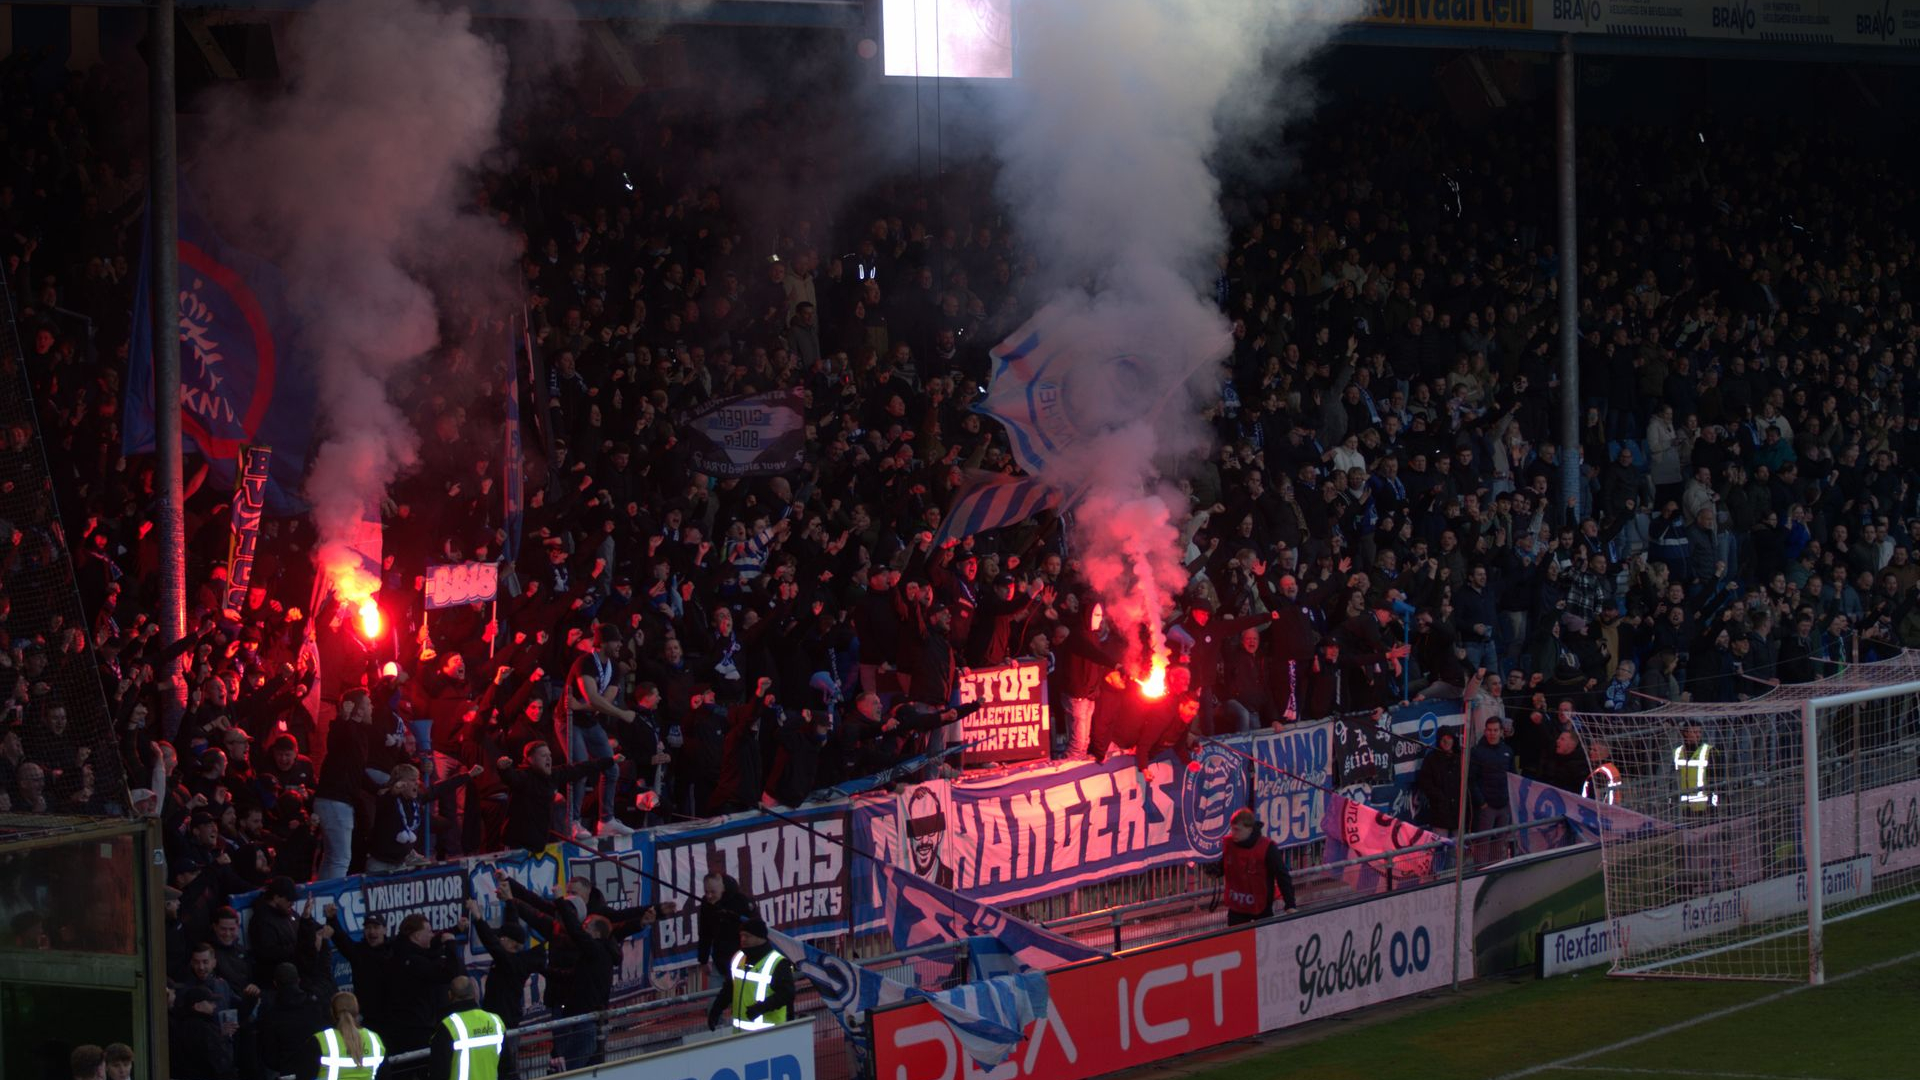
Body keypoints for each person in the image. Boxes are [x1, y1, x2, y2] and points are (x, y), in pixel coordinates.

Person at [563, 626, 638, 838]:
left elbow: (603, 702)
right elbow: (594, 699)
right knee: (579, 769)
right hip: (569, 720)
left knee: (611, 768)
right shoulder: (585, 662)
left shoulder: (613, 667)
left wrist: (581, 706)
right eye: (616, 641)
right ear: (603, 642)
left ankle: (606, 820)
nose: (620, 645)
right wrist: (622, 714)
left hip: (588, 720)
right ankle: (573, 822)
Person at [496, 742, 617, 852]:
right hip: (516, 846)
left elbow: (579, 769)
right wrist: (504, 769)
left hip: (537, 845)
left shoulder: (553, 775)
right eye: (543, 755)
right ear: (530, 759)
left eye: (549, 755)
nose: (548, 758)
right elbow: (511, 778)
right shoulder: (523, 777)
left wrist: (610, 761)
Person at [706, 916, 796, 1032]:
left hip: (770, 1034)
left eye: (747, 936)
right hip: (740, 1034)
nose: (743, 939)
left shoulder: (778, 963)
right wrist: (716, 1010)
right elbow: (730, 988)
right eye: (741, 936)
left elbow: (787, 994)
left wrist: (761, 1008)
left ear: (760, 937)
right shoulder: (738, 958)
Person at [1211, 808, 1297, 924]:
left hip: (1261, 907)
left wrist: (1290, 904)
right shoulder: (1230, 845)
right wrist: (1215, 870)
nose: (1233, 833)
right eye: (1232, 829)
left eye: (1237, 830)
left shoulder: (1267, 847)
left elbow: (1282, 875)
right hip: (1237, 908)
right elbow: (1226, 865)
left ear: (1249, 829)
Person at [427, 976, 505, 1080]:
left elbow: (438, 1073)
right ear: (475, 993)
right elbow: (507, 1069)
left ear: (450, 995)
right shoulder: (495, 1022)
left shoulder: (447, 1027)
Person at [304, 991, 385, 1080]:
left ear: (332, 1012)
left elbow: (304, 1075)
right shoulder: (374, 1039)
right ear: (357, 1011)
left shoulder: (320, 1040)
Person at [695, 872, 756, 980]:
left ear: (723, 888)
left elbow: (755, 929)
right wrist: (703, 960)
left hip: (742, 961)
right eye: (706, 892)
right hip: (719, 962)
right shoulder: (706, 903)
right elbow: (705, 933)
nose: (709, 896)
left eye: (713, 892)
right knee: (715, 991)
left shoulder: (741, 901)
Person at [1415, 729, 1464, 832]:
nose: (1446, 742)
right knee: (1440, 841)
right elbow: (1425, 782)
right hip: (1439, 813)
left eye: (1449, 738)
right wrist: (1439, 798)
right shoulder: (1431, 759)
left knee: (1458, 841)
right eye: (1443, 739)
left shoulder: (1460, 757)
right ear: (1439, 741)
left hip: (1458, 813)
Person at [1673, 721, 1717, 812]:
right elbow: (1671, 780)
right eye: (1694, 732)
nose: (1698, 735)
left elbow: (1714, 779)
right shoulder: (1677, 752)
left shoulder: (1709, 751)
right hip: (1681, 806)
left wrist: (1712, 803)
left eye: (1699, 732)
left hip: (1703, 805)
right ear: (1685, 733)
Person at [1582, 739, 1623, 805]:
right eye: (1591, 749)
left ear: (1605, 753)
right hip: (1613, 807)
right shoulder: (1611, 768)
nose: (1591, 752)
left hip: (1600, 809)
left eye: (1595, 750)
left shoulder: (1600, 773)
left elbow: (1597, 797)